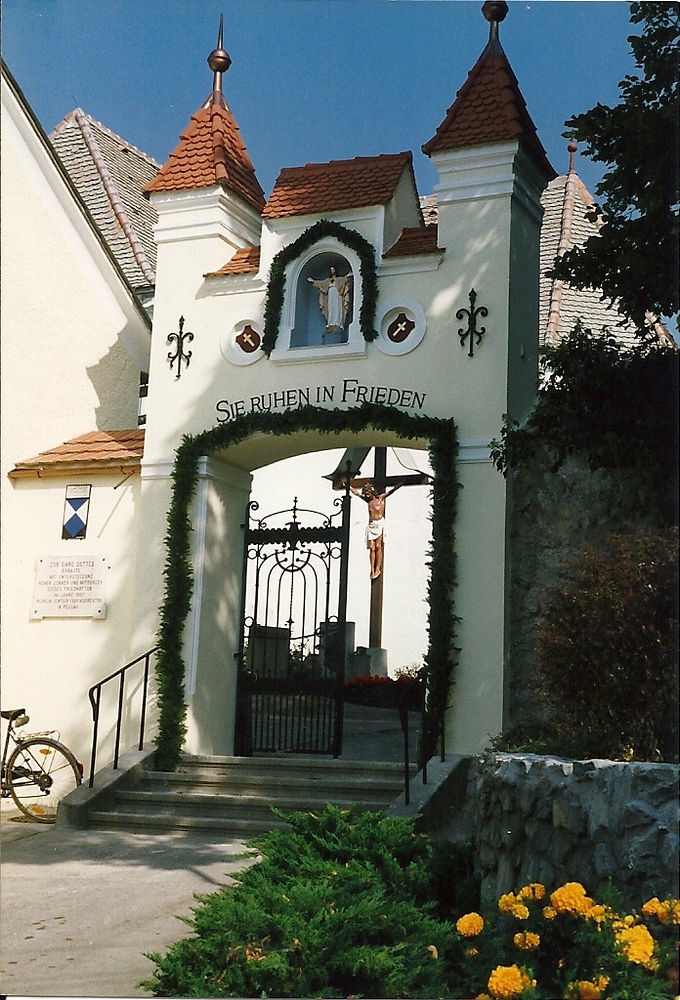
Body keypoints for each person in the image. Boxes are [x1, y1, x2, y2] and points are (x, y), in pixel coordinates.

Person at [346, 479, 404, 579]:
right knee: (372, 548)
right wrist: (348, 486)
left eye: (368, 493)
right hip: (371, 525)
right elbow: (356, 493)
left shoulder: (380, 498)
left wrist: (401, 482)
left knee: (378, 546)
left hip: (379, 524)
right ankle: (372, 569)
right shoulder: (368, 501)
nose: (367, 495)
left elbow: (392, 491)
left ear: (372, 492)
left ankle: (378, 569)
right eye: (366, 494)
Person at [307, 266, 351, 331]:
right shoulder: (328, 281)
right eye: (331, 270)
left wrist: (348, 275)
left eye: (333, 269)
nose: (332, 271)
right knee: (330, 308)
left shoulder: (339, 279)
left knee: (337, 307)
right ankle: (330, 322)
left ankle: (338, 323)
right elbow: (321, 283)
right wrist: (313, 281)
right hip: (330, 293)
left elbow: (344, 279)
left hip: (337, 294)